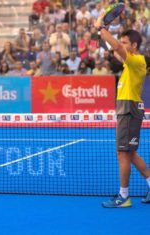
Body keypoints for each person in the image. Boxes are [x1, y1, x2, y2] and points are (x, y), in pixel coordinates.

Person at [94, 13, 150, 208]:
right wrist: (102, 31)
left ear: (134, 46)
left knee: (122, 153)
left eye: (126, 41)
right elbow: (115, 50)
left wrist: (101, 27)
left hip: (129, 110)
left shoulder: (138, 61)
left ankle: (124, 196)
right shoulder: (129, 63)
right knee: (130, 153)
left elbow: (117, 47)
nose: (122, 44)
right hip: (127, 110)